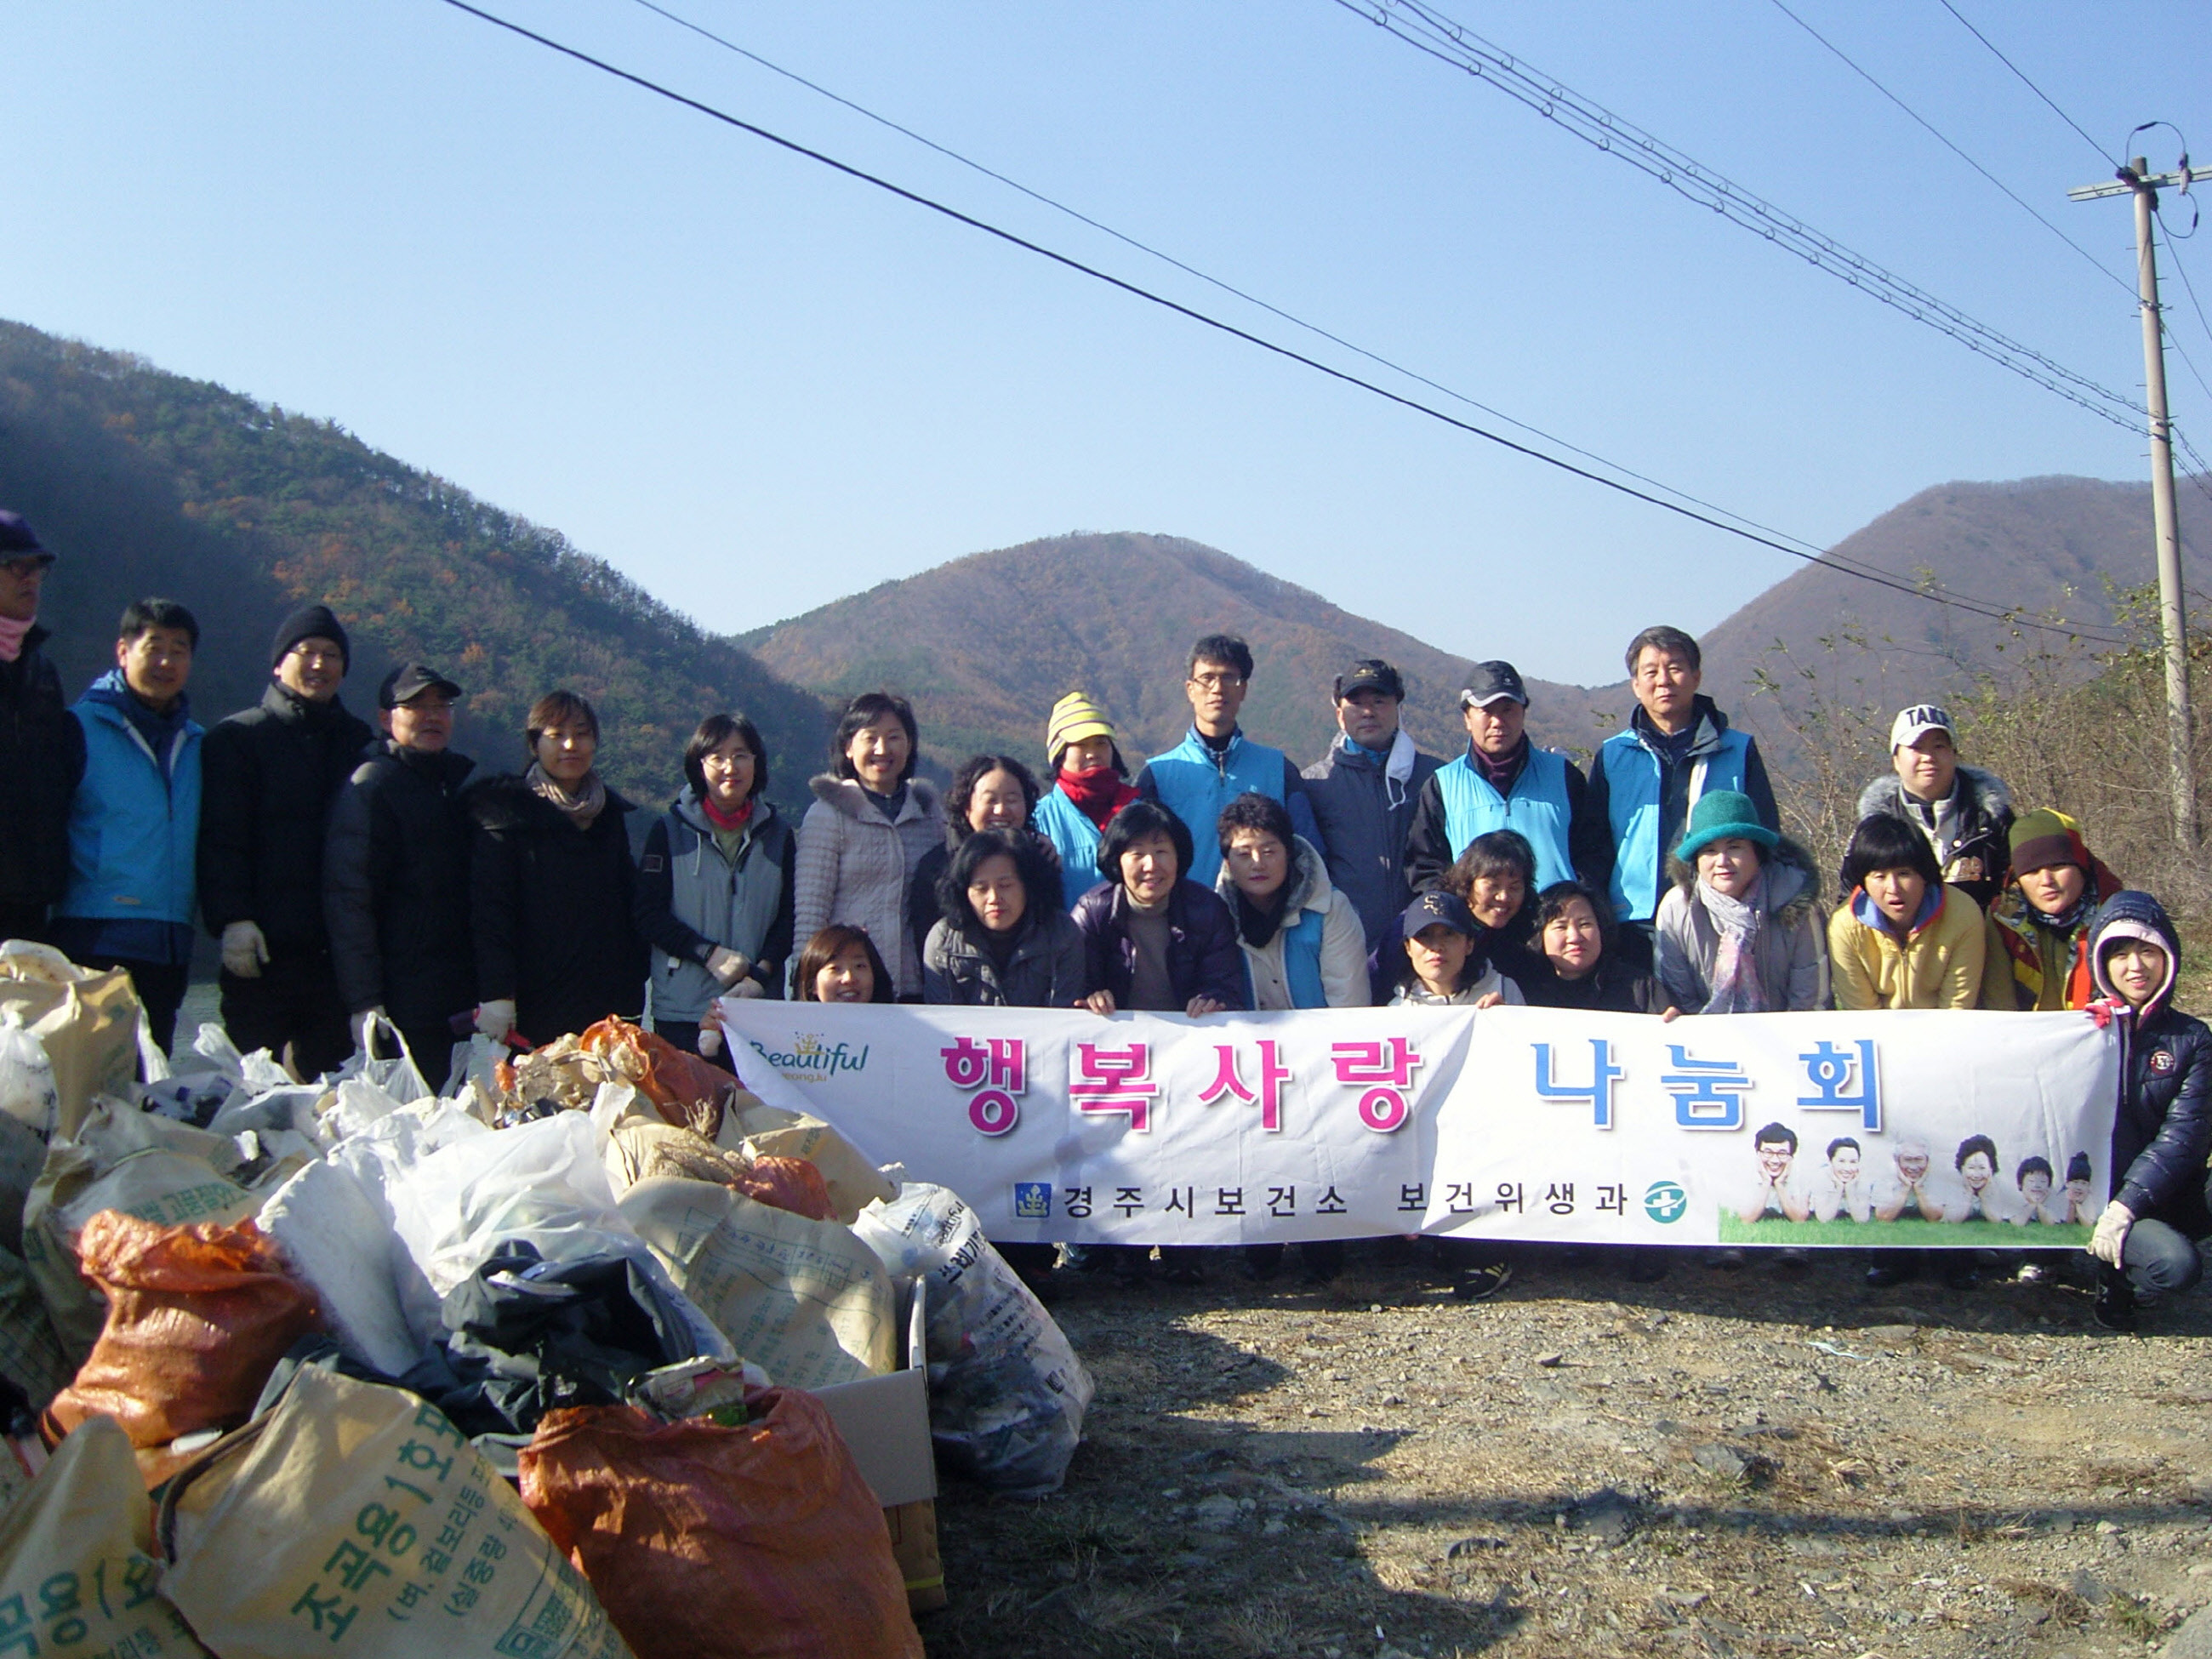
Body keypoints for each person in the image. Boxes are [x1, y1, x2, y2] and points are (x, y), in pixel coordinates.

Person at [197, 602, 374, 1079]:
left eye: (332, 654)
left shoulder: (360, 744)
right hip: (260, 956)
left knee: (333, 1101)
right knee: (251, 1094)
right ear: (279, 663)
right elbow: (221, 839)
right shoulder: (237, 739)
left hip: (333, 962)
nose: (319, 664)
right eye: (307, 651)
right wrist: (232, 919)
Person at [51, 599, 202, 1058]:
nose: (165, 662)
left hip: (169, 941)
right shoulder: (77, 728)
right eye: (153, 647)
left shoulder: (197, 742)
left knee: (150, 1088)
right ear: (122, 651)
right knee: (90, 1081)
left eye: (179, 650)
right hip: (94, 934)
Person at [323, 664, 478, 1092]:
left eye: (441, 706)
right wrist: (364, 1002)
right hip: (401, 1003)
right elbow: (348, 899)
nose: (432, 716)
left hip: (451, 998)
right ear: (385, 717)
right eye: (415, 706)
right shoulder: (372, 787)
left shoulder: (449, 789)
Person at [467, 690, 647, 1048]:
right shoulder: (506, 814)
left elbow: (629, 908)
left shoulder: (608, 815)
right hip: (534, 1003)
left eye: (581, 734)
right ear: (534, 745)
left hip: (607, 1004)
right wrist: (498, 994)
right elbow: (490, 913)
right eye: (555, 735)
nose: (570, 745)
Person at [1588, 625, 1777, 942]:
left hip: (1719, 915)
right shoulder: (1613, 755)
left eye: (1675, 668)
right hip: (1634, 921)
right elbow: (1594, 844)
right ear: (1636, 685)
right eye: (1651, 672)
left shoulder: (1737, 750)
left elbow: (1766, 834)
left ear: (1696, 676)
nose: (1663, 680)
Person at [2081, 890, 2212, 1330]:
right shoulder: (2077, 1032)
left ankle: (2128, 1254)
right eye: (2120, 954)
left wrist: (2128, 1206)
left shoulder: (2193, 1039)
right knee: (2176, 1267)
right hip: (2093, 1196)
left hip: (2156, 1192)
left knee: (2175, 1261)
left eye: (2147, 951)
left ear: (2168, 957)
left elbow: (2184, 1138)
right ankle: (2111, 1273)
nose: (2135, 967)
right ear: (2102, 963)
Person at [635, 713, 796, 1064]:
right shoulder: (668, 831)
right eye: (717, 757)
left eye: (741, 755)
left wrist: (760, 975)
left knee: (760, 1115)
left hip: (757, 1008)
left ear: (757, 763)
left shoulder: (779, 835)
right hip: (683, 1010)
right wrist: (708, 954)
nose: (730, 767)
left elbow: (789, 918)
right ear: (699, 764)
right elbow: (647, 915)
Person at [1405, 660, 1610, 898]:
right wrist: (1457, 915)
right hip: (1477, 930)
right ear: (1467, 717)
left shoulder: (1563, 775)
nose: (1498, 722)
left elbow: (1595, 851)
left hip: (1551, 927)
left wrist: (1574, 901)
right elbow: (1425, 866)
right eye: (1487, 711)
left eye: (1508, 709)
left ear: (1523, 712)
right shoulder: (1443, 785)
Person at [1134, 634, 1322, 890]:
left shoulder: (1278, 769)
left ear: (1243, 689)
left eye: (1228, 678)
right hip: (1187, 919)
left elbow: (1309, 853)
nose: (1217, 688)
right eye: (1207, 678)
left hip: (1265, 920)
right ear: (1190, 689)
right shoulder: (1158, 775)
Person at [793, 692, 944, 1001]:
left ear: (910, 744)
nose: (882, 749)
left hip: (917, 985)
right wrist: (802, 992)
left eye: (894, 737)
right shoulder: (827, 814)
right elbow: (810, 914)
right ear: (848, 747)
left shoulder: (929, 815)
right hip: (849, 988)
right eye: (870, 738)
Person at [1302, 660, 1442, 948]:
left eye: (1379, 701)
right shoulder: (1315, 784)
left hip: (1424, 941)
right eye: (1356, 703)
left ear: (1398, 707)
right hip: (1344, 942)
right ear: (1340, 715)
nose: (1368, 712)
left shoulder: (1436, 777)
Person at [1653, 791, 1827, 1014]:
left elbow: (1810, 999)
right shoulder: (1676, 909)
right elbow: (1677, 997)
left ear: (1757, 852)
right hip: (1703, 1039)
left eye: (1734, 848)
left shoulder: (1794, 900)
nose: (1722, 862)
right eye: (1709, 851)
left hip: (1788, 1038)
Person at [1073, 801, 1245, 1019]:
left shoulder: (1207, 909)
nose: (1151, 865)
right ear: (1117, 860)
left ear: (1178, 856)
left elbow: (1226, 986)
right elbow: (1073, 988)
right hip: (1117, 1042)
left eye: (1161, 851)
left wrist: (1212, 1000)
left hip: (1190, 1040)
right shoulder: (1093, 912)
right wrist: (1092, 997)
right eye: (1137, 854)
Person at [0, 511, 85, 944]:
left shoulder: (40, 669)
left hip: (31, 896)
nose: (30, 579)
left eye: (37, 569)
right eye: (17, 566)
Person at [1212, 793, 1368, 1012]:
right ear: (1228, 863)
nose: (1258, 864)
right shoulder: (1214, 916)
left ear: (1289, 853)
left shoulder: (1330, 909)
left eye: (1268, 852)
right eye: (1244, 854)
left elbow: (1351, 1006)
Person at [1855, 705, 2014, 912]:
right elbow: (1853, 902)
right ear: (1896, 760)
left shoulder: (1991, 819)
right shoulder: (1876, 827)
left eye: (1939, 746)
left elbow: (2017, 889)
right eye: (1916, 747)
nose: (1928, 757)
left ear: (1954, 754)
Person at [908, 755, 1060, 956]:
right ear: (967, 806)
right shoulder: (937, 866)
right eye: (990, 800)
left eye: (1012, 799)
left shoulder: (1040, 859)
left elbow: (1054, 931)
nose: (1001, 810)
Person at [1828, 814, 1985, 1012]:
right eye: (1880, 876)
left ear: (1924, 875)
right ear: (1863, 882)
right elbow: (1863, 1015)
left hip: (1946, 1031)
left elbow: (1956, 1009)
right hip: (1880, 1035)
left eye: (1904, 874)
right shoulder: (1844, 926)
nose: (1893, 888)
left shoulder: (1962, 914)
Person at [922, 830, 1087, 1007]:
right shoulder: (943, 940)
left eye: (1005, 885)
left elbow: (1064, 1018)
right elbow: (944, 1022)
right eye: (981, 888)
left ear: (1029, 885)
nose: (994, 898)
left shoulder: (1062, 933)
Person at [1981, 809, 2122, 1012]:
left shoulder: (2116, 916)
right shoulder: (2003, 919)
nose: (2046, 881)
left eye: (2057, 866)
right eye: (2032, 871)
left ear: (2081, 867)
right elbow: (2000, 1007)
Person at [1032, 692, 1140, 911]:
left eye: (1101, 743)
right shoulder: (1038, 820)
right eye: (1081, 745)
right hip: (1066, 943)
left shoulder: (1139, 813)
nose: (1093, 754)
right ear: (1060, 754)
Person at [1517, 881, 1675, 1015]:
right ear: (1540, 935)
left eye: (1585, 924)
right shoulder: (1522, 990)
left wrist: (1675, 1025)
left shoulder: (1641, 988)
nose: (1575, 937)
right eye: (1561, 927)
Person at [1437, 830, 1543, 990]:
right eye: (1493, 886)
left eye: (1514, 887)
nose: (1503, 897)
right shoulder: (1435, 922)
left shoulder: (1528, 932)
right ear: (1468, 882)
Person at [1388, 889, 1523, 1007]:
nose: (1436, 947)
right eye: (1423, 935)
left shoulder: (1504, 989)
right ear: (1408, 947)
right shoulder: (1397, 1013)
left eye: (1448, 934)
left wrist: (1507, 1017)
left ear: (1469, 944)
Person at [794, 924, 894, 1004]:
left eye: (859, 966)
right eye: (835, 968)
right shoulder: (793, 1027)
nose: (849, 979)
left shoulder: (898, 1027)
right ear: (813, 984)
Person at [1735, 1123, 1810, 1224]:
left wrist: (1780, 1184)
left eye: (1782, 1153)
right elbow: (1747, 1219)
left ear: (1791, 1157)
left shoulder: (1799, 1176)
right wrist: (1766, 1182)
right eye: (1768, 1152)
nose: (1775, 1160)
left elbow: (1799, 1219)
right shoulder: (1747, 1174)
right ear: (1759, 1154)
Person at [1947, 1134, 2021, 1223]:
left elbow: (1996, 1220)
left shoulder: (1998, 1184)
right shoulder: (1955, 1183)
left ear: (1991, 1169)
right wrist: (1969, 1193)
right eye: (1971, 1168)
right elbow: (1954, 1220)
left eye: (1982, 1168)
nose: (1976, 1175)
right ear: (1962, 1168)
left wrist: (1984, 1195)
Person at [1810, 1137, 1873, 1223]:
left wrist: (1850, 1188)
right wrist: (1839, 1187)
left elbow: (1861, 1219)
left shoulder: (1863, 1178)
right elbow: (1824, 1219)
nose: (1847, 1168)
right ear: (1830, 1161)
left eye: (1853, 1162)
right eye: (1841, 1161)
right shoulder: (1822, 1178)